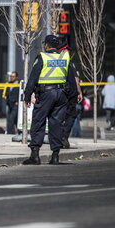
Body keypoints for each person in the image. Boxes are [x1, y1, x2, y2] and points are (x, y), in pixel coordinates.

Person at [22, 35, 78, 165]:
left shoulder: (43, 57)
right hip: (62, 94)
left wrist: (27, 95)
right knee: (56, 124)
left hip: (46, 94)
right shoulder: (64, 58)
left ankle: (35, 155)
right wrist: (72, 98)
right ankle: (55, 156)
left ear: (46, 45)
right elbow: (71, 79)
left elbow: (33, 77)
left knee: (38, 122)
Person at [57, 38, 83, 149]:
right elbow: (76, 80)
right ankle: (63, 137)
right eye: (67, 50)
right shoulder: (69, 63)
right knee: (70, 116)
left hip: (60, 92)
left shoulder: (55, 62)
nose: (69, 53)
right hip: (70, 93)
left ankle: (59, 138)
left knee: (59, 115)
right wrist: (79, 92)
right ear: (64, 51)